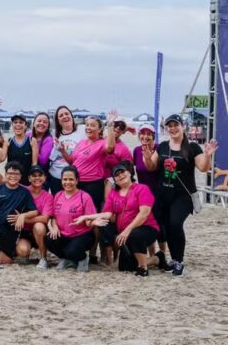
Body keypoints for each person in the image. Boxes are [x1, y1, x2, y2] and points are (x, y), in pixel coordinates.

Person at [142, 114, 219, 276]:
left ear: (183, 127)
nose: (173, 128)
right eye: (169, 126)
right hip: (163, 195)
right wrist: (147, 158)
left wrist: (208, 155)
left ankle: (178, 260)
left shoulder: (192, 148)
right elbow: (151, 167)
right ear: (166, 129)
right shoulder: (162, 146)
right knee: (167, 228)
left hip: (183, 196)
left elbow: (203, 168)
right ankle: (173, 260)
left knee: (175, 224)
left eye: (176, 125)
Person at [74, 162, 162, 276]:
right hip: (126, 235)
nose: (120, 175)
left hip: (147, 229)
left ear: (130, 173)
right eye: (117, 174)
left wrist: (127, 230)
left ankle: (143, 268)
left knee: (136, 235)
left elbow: (144, 214)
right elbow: (107, 214)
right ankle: (157, 259)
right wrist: (86, 216)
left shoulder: (142, 188)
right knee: (125, 267)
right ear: (114, 180)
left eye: (123, 172)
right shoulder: (113, 194)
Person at [59, 111, 118, 264]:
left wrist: (110, 124)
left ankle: (92, 253)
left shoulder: (101, 143)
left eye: (93, 125)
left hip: (93, 185)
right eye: (87, 125)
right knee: (75, 216)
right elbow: (72, 161)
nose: (89, 128)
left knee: (92, 218)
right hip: (77, 184)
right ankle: (77, 248)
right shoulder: (81, 143)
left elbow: (111, 148)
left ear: (100, 129)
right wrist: (63, 151)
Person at [44, 166, 96, 272]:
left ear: (77, 181)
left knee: (72, 251)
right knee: (48, 239)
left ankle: (82, 258)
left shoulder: (84, 197)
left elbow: (89, 221)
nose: (68, 182)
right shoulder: (58, 195)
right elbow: (53, 217)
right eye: (65, 179)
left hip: (81, 235)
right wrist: (54, 227)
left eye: (71, 179)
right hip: (63, 234)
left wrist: (94, 222)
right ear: (61, 180)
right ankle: (65, 259)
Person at [132, 123, 165, 257]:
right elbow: (134, 170)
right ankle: (152, 254)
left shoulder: (159, 149)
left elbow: (154, 167)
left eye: (148, 134)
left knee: (160, 224)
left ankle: (162, 254)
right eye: (142, 134)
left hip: (159, 192)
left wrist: (148, 157)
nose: (145, 137)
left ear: (153, 136)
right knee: (147, 223)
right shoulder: (136, 151)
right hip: (144, 193)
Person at [17, 165, 53, 268]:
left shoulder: (48, 196)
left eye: (40, 175)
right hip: (24, 232)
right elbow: (4, 180)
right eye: (34, 175)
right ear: (29, 178)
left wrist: (23, 218)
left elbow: (45, 218)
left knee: (39, 226)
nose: (37, 178)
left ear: (45, 177)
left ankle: (43, 258)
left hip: (39, 231)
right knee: (23, 253)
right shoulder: (22, 190)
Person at [48, 106, 85, 194]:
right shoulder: (54, 135)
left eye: (66, 113)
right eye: (60, 116)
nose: (64, 116)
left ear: (71, 116)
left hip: (74, 176)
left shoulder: (82, 129)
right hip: (55, 176)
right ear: (57, 121)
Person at [0, 113, 37, 186]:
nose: (18, 125)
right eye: (15, 122)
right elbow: (0, 159)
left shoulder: (32, 141)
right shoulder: (8, 142)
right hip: (12, 179)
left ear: (26, 125)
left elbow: (34, 163)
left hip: (27, 181)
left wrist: (33, 181)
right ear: (12, 125)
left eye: (21, 122)